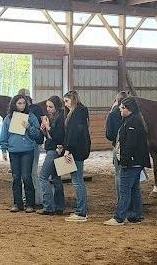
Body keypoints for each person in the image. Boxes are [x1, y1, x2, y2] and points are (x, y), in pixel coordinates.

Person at [104, 97, 151, 226]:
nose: (120, 110)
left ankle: (119, 217)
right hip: (136, 162)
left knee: (124, 190)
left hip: (131, 162)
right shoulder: (133, 120)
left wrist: (124, 161)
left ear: (128, 109)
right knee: (134, 189)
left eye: (122, 108)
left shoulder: (132, 123)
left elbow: (130, 145)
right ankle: (135, 215)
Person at [0, 94, 41, 213]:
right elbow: (4, 134)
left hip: (28, 150)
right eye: (19, 103)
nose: (22, 106)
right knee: (16, 177)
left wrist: (29, 127)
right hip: (13, 151)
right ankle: (17, 203)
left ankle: (30, 203)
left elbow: (37, 134)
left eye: (23, 103)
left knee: (26, 177)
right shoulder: (8, 118)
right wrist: (3, 149)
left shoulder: (31, 117)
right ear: (14, 104)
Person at [61, 90, 91, 222]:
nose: (65, 104)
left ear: (72, 100)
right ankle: (81, 210)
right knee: (77, 180)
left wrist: (68, 148)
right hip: (79, 149)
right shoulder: (79, 112)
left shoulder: (76, 114)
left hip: (76, 151)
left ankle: (81, 212)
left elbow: (73, 132)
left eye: (67, 101)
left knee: (77, 181)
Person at [37, 96, 65, 215]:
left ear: (56, 107)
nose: (48, 109)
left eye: (50, 106)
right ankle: (59, 206)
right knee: (56, 178)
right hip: (56, 150)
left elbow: (57, 137)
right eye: (47, 106)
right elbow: (50, 136)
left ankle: (48, 206)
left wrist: (47, 127)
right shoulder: (56, 118)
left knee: (43, 177)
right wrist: (44, 130)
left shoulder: (59, 119)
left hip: (54, 150)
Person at [17, 88, 43, 207]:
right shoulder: (33, 110)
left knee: (31, 172)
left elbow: (35, 130)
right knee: (29, 172)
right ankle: (33, 198)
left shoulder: (32, 112)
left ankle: (36, 198)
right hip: (27, 144)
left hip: (31, 144)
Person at [105, 91, 130, 203]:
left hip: (118, 146)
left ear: (116, 101)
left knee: (119, 175)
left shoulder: (112, 114)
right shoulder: (132, 114)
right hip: (131, 147)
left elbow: (109, 135)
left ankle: (121, 201)